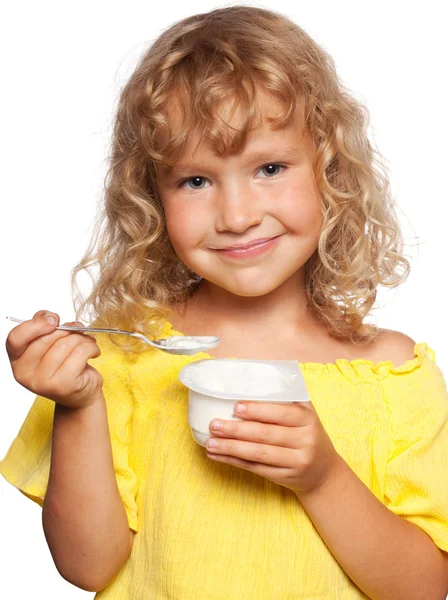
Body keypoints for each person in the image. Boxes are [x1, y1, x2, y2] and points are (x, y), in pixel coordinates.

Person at [1, 5, 448, 599]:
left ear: (330, 170)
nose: (237, 217)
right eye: (195, 181)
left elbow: (424, 588)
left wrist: (321, 478)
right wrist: (80, 405)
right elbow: (87, 567)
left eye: (269, 167)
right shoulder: (116, 363)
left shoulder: (390, 374)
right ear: (151, 198)